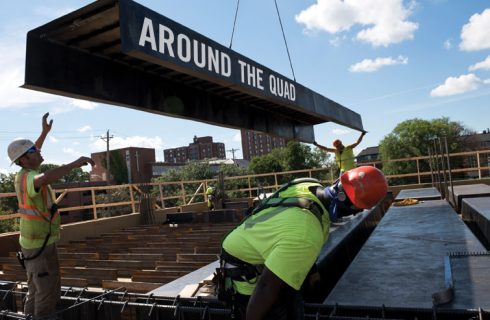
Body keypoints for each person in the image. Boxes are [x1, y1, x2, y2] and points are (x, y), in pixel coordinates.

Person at [218, 166, 387, 319]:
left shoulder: (307, 184)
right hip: (248, 277)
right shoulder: (306, 234)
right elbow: (265, 288)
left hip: (251, 243)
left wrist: (311, 270)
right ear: (354, 208)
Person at [7, 113, 94, 318]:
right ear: (24, 159)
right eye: (35, 151)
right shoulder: (30, 178)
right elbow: (44, 177)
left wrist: (44, 133)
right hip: (38, 244)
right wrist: (74, 164)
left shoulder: (25, 172)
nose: (40, 152)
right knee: (45, 293)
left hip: (36, 242)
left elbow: (31, 154)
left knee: (35, 289)